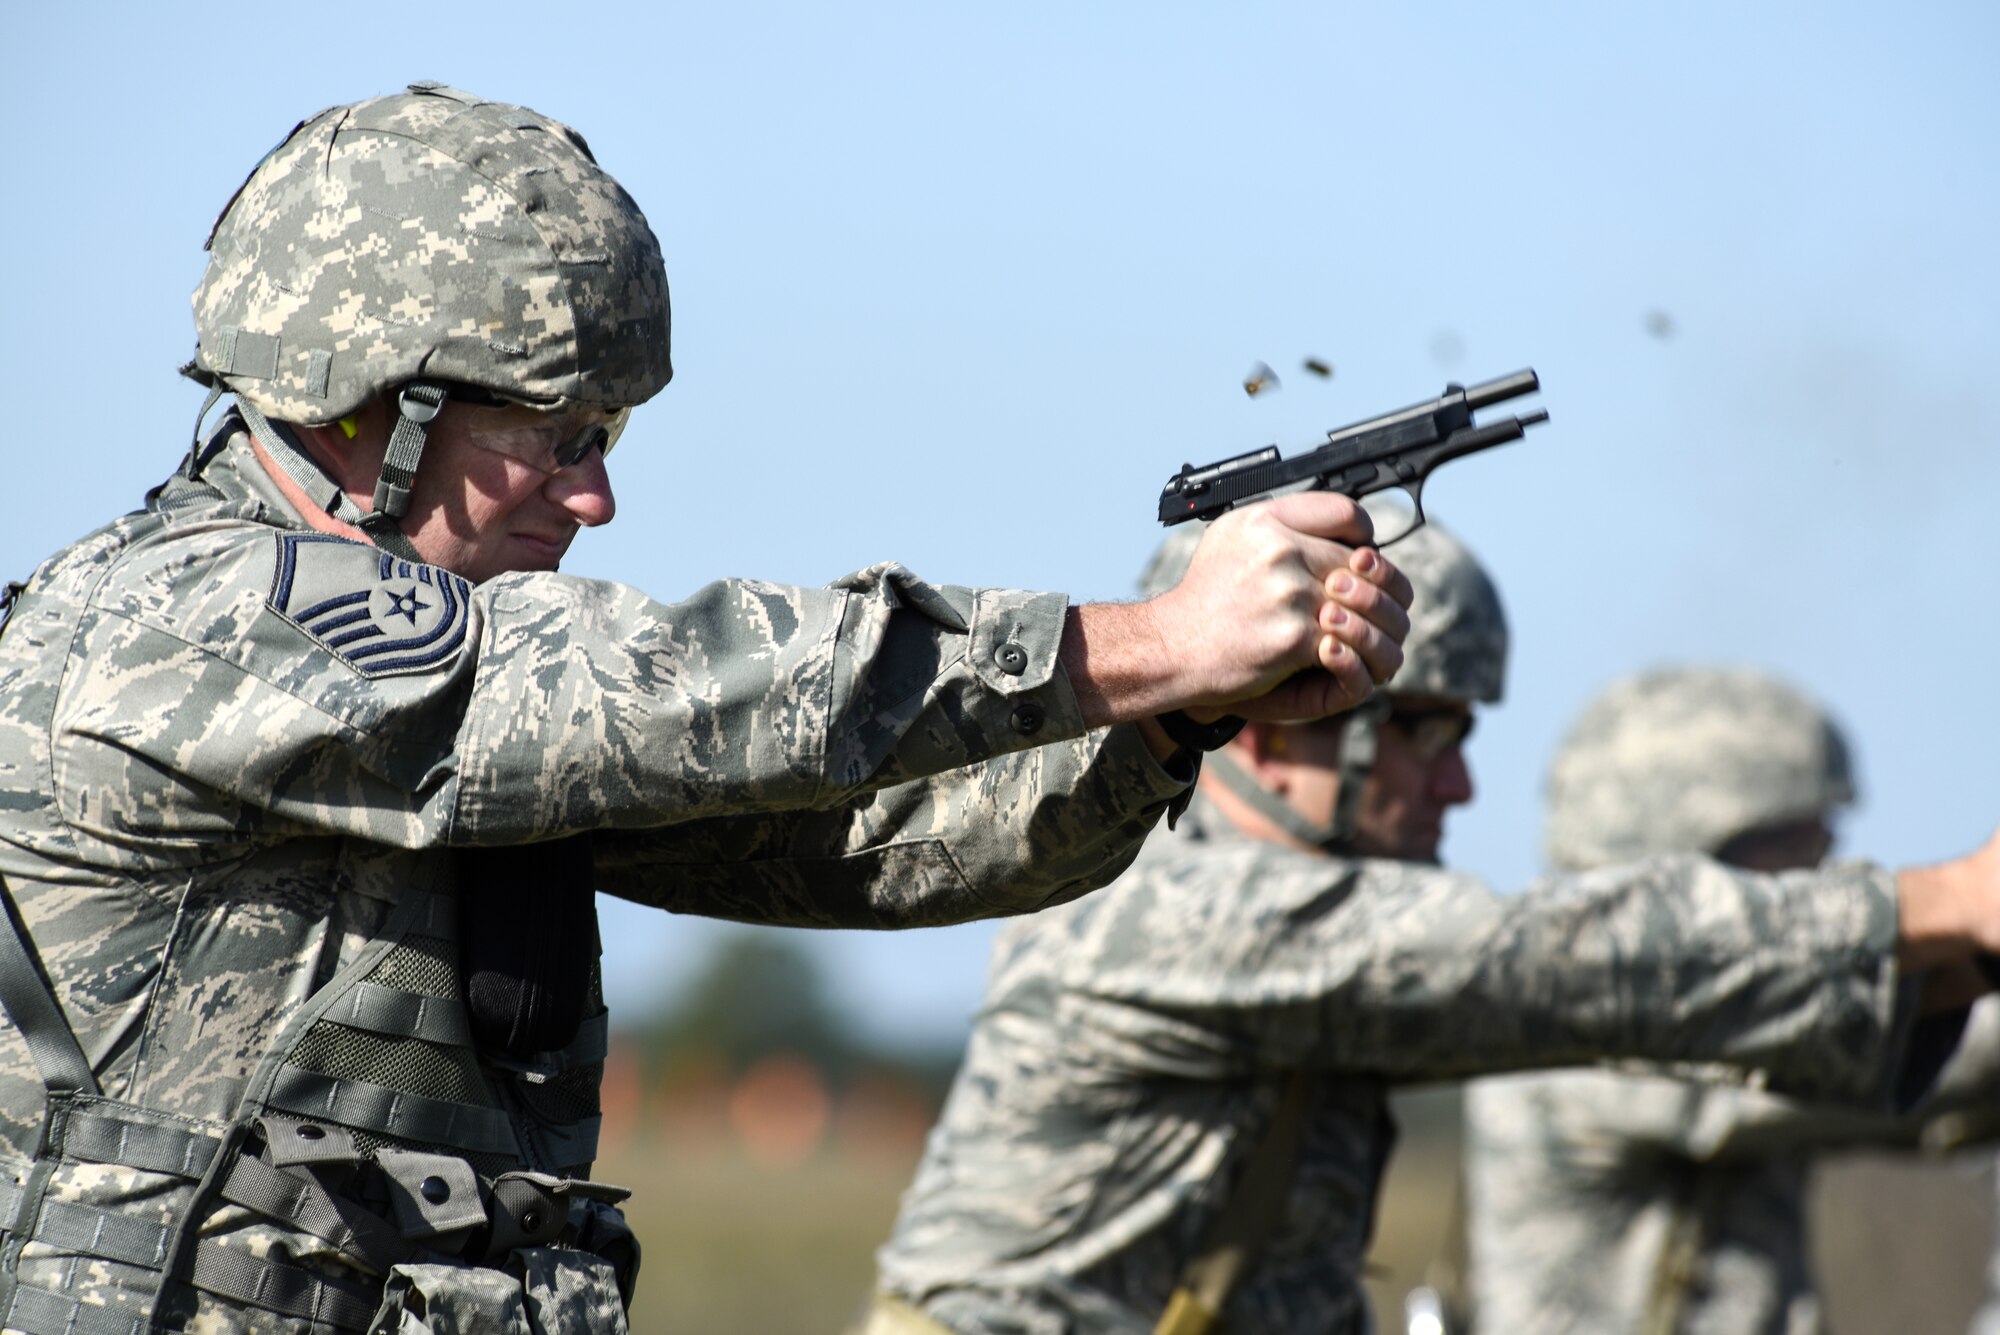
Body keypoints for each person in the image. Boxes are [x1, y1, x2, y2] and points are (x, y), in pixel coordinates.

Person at [0, 85, 1417, 1335]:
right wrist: (1158, 635)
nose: (596, 495)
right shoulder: (181, 615)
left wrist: (1173, 714)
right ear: (370, 410)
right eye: (554, 435)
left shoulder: (442, 708)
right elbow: (675, 687)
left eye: (605, 440)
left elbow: (853, 836)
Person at [865, 518, 2000, 1335]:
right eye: (1420, 735)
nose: (1458, 788)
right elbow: (1535, 962)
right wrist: (1942, 905)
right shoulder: (1164, 914)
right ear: (1257, 732)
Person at [1463, 668, 2000, 1335]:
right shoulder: (1576, 1031)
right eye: (1791, 853)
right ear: (1684, 871)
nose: (1822, 887)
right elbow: (1858, 1048)